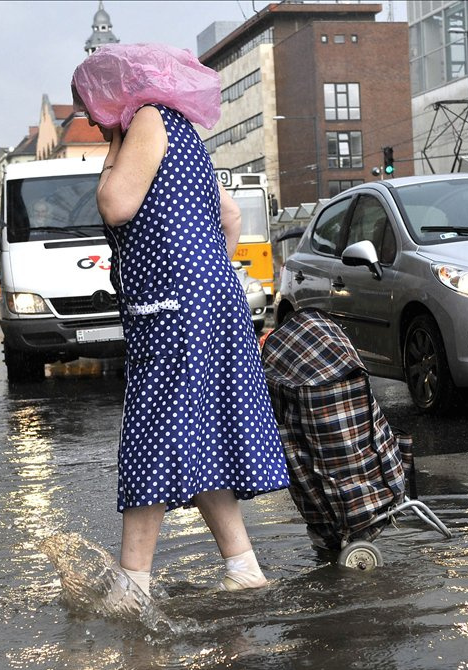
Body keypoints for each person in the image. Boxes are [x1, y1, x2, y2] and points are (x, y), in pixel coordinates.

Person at [73, 66, 290, 597]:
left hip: (170, 306)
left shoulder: (144, 122)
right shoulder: (181, 128)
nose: (92, 120)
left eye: (91, 109)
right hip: (213, 299)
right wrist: (207, 272)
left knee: (152, 432)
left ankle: (133, 585)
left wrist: (112, 156)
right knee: (202, 433)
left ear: (112, 100)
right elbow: (231, 215)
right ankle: (244, 569)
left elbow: (114, 204)